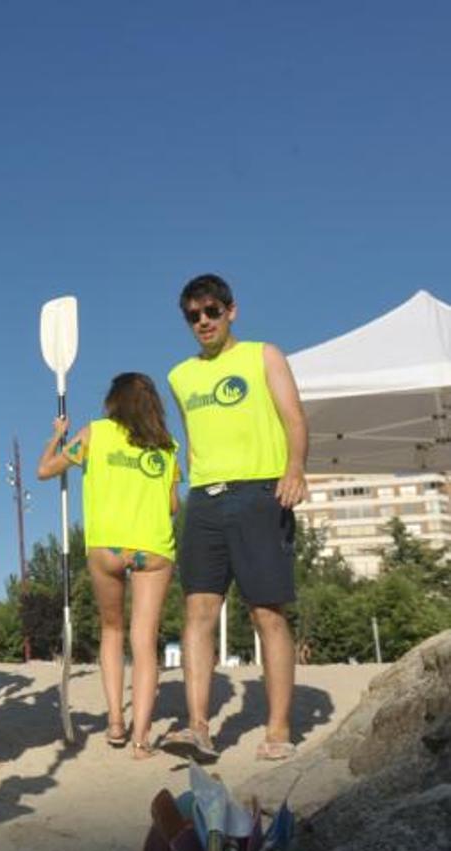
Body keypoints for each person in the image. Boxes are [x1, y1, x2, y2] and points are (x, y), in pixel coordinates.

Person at [164, 274, 308, 764]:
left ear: (231, 311)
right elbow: (194, 438)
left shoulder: (264, 355)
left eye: (211, 311)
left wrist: (294, 470)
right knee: (198, 612)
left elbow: (294, 418)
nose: (203, 321)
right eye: (193, 315)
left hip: (260, 492)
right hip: (204, 500)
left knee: (267, 612)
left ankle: (280, 728)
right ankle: (199, 727)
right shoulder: (180, 377)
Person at [36, 373, 180, 759]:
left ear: (113, 401)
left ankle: (116, 721)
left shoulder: (95, 434)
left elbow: (45, 469)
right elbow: (172, 506)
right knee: (144, 640)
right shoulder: (167, 449)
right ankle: (141, 740)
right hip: (153, 546)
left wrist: (58, 434)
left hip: (107, 545)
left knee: (112, 629)